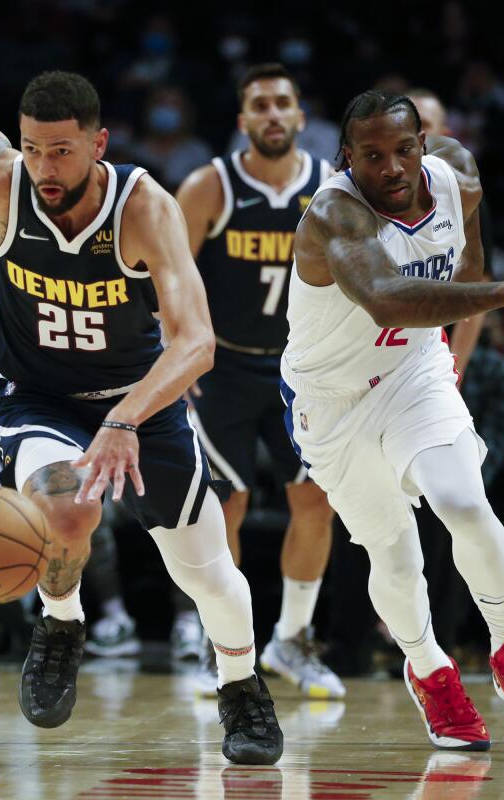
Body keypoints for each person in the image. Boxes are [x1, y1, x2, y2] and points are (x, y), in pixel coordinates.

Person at [0, 71, 282, 765]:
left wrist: (124, 421)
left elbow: (197, 344)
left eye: (61, 150)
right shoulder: (2, 183)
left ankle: (242, 687)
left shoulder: (143, 207)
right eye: (32, 148)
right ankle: (61, 625)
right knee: (66, 514)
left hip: (137, 403)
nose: (43, 167)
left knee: (209, 574)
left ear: (98, 144)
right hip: (37, 397)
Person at [283, 90, 504, 750]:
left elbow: (465, 270)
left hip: (415, 372)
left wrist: (459, 357)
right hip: (331, 402)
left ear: (425, 143)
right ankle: (430, 671)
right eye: (371, 155)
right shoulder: (333, 214)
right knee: (394, 551)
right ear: (346, 158)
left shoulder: (459, 178)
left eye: (403, 149)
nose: (390, 167)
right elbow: (390, 300)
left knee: (463, 501)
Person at [175, 63, 341, 699]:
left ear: (301, 117)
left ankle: (293, 640)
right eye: (260, 106)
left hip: (304, 368)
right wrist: (176, 351)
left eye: (283, 104)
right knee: (225, 507)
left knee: (314, 501)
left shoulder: (331, 190)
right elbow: (166, 275)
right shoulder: (210, 187)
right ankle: (222, 647)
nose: (273, 115)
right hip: (225, 367)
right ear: (243, 121)